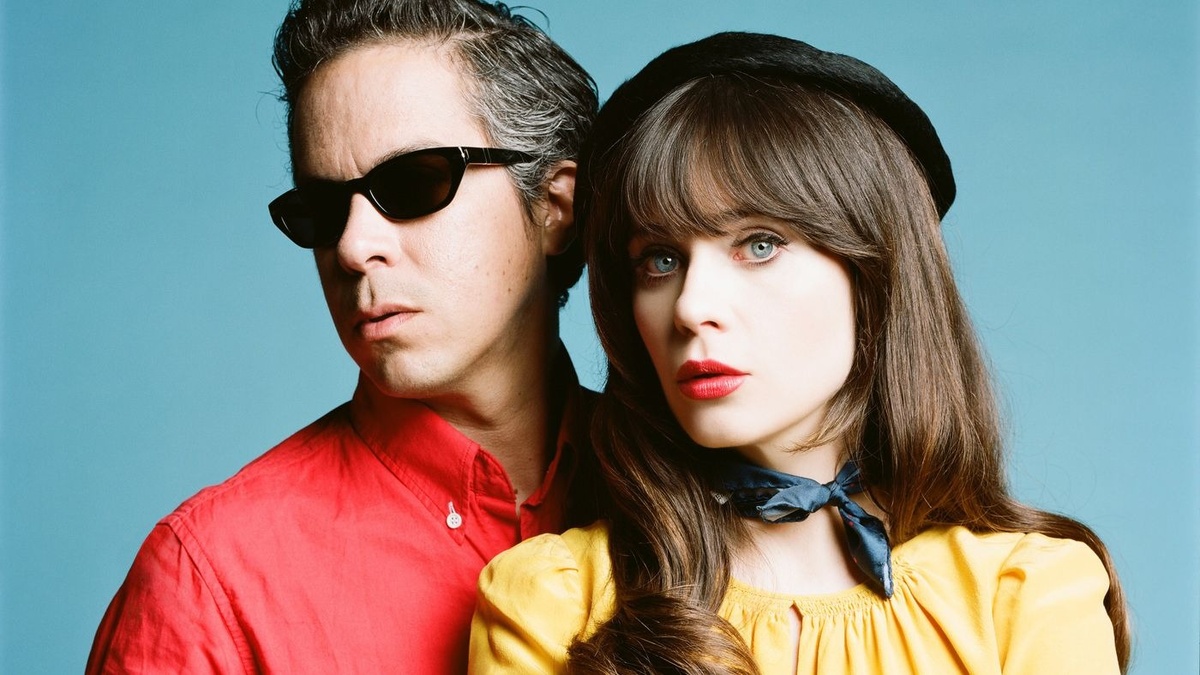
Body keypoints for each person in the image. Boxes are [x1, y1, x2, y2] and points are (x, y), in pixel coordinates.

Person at [470, 32, 1130, 674]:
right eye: (660, 259)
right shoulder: (554, 602)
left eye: (759, 244)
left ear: (877, 274)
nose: (691, 306)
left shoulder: (1027, 594)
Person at [86, 1, 597, 672]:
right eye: (324, 209)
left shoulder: (698, 493)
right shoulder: (208, 583)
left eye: (413, 184)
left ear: (555, 206)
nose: (353, 247)